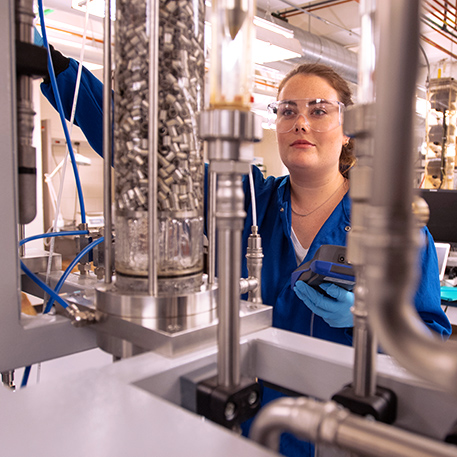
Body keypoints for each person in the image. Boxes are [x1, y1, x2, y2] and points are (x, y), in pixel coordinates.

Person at [41, 54, 451, 456]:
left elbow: (428, 341)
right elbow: (147, 154)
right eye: (288, 111)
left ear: (348, 131)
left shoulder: (395, 228)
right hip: (250, 423)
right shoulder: (248, 202)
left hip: (348, 431)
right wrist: (59, 70)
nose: (301, 122)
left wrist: (365, 322)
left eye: (320, 110)